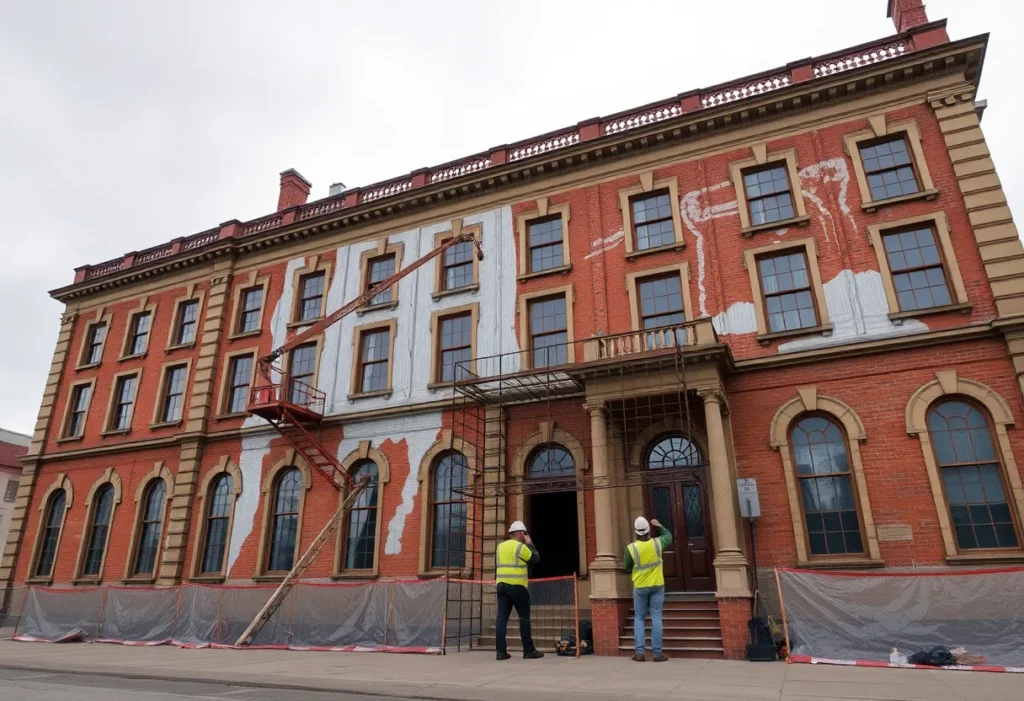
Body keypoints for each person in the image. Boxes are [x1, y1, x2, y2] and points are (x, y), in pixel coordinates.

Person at [624, 516, 672, 662]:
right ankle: (657, 654)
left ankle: (639, 653)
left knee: (639, 618)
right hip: (657, 585)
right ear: (648, 530)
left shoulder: (631, 548)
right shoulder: (657, 543)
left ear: (636, 532)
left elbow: (627, 567)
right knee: (656, 616)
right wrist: (659, 525)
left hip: (640, 587)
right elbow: (668, 536)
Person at [494, 520, 544, 660]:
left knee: (501, 618)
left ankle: (500, 652)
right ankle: (529, 650)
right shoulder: (520, 547)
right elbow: (535, 559)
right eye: (524, 533)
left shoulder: (500, 547)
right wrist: (530, 543)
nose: (524, 536)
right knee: (524, 618)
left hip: (501, 585)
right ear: (520, 533)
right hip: (517, 586)